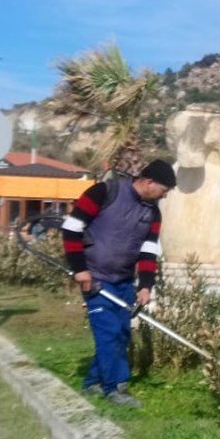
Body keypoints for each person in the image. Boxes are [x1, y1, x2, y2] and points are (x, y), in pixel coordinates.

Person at [61, 161, 176, 408]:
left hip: (123, 281)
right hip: (95, 279)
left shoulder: (153, 213)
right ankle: (115, 388)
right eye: (164, 190)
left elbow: (148, 251)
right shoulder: (103, 192)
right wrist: (80, 270)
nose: (165, 196)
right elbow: (71, 229)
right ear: (149, 182)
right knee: (109, 334)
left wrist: (145, 285)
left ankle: (93, 382)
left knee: (121, 334)